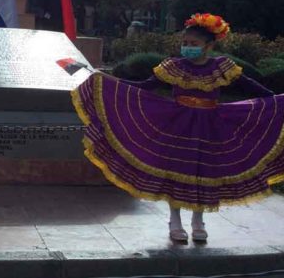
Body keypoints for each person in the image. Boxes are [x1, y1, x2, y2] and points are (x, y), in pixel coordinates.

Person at [71, 13, 284, 243]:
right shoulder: (174, 67)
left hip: (210, 126)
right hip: (177, 125)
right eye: (185, 43)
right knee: (176, 172)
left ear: (209, 45)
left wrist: (276, 99)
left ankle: (198, 222)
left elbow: (251, 87)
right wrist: (108, 81)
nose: (187, 47)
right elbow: (145, 87)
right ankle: (175, 222)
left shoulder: (221, 67)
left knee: (203, 173)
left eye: (194, 44)